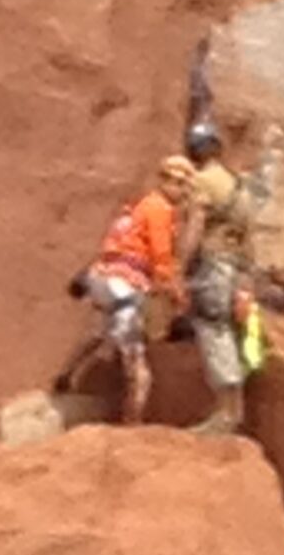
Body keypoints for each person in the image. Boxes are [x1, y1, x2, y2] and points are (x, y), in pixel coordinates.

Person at [63, 157, 194, 424]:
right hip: (125, 286)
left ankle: (66, 375)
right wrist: (178, 298)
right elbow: (161, 258)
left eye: (184, 184)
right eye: (178, 183)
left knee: (98, 332)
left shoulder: (136, 208)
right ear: (165, 181)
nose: (181, 190)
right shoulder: (159, 209)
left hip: (102, 280)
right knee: (137, 364)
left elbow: (113, 246)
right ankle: (132, 423)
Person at [178, 120, 253, 437]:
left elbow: (195, 226)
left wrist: (178, 265)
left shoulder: (202, 182)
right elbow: (248, 235)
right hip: (234, 265)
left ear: (194, 150)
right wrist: (246, 278)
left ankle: (226, 414)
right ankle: (234, 410)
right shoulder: (237, 185)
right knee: (228, 331)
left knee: (213, 329)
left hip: (213, 264)